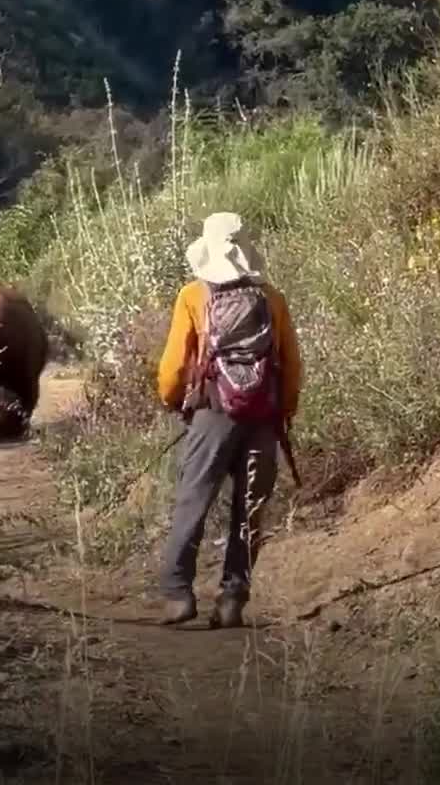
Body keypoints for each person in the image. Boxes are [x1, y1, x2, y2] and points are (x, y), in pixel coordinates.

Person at [153, 212, 303, 629]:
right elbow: (290, 365)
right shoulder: (272, 298)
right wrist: (283, 410)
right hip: (263, 416)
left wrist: (173, 400)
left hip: (212, 413)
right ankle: (232, 597)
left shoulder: (193, 296)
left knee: (193, 500)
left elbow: (172, 367)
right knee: (249, 507)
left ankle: (178, 593)